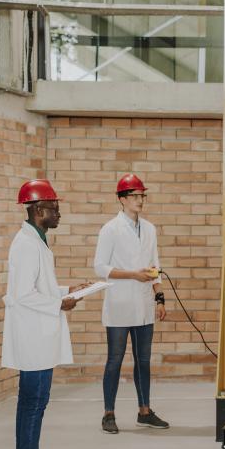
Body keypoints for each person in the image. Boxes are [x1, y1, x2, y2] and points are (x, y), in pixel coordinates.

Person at [2, 179, 90, 449]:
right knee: (33, 401)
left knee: (37, 400)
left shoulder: (36, 241)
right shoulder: (26, 245)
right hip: (32, 337)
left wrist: (67, 291)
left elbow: (39, 287)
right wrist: (59, 303)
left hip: (38, 334)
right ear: (39, 210)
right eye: (55, 208)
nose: (58, 214)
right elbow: (22, 294)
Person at [94, 173, 169, 434]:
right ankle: (108, 414)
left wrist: (159, 297)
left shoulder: (149, 229)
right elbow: (100, 267)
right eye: (135, 196)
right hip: (119, 304)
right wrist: (132, 275)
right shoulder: (110, 229)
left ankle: (144, 411)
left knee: (143, 360)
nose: (140, 200)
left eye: (142, 195)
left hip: (144, 304)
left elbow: (154, 265)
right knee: (115, 360)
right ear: (122, 199)